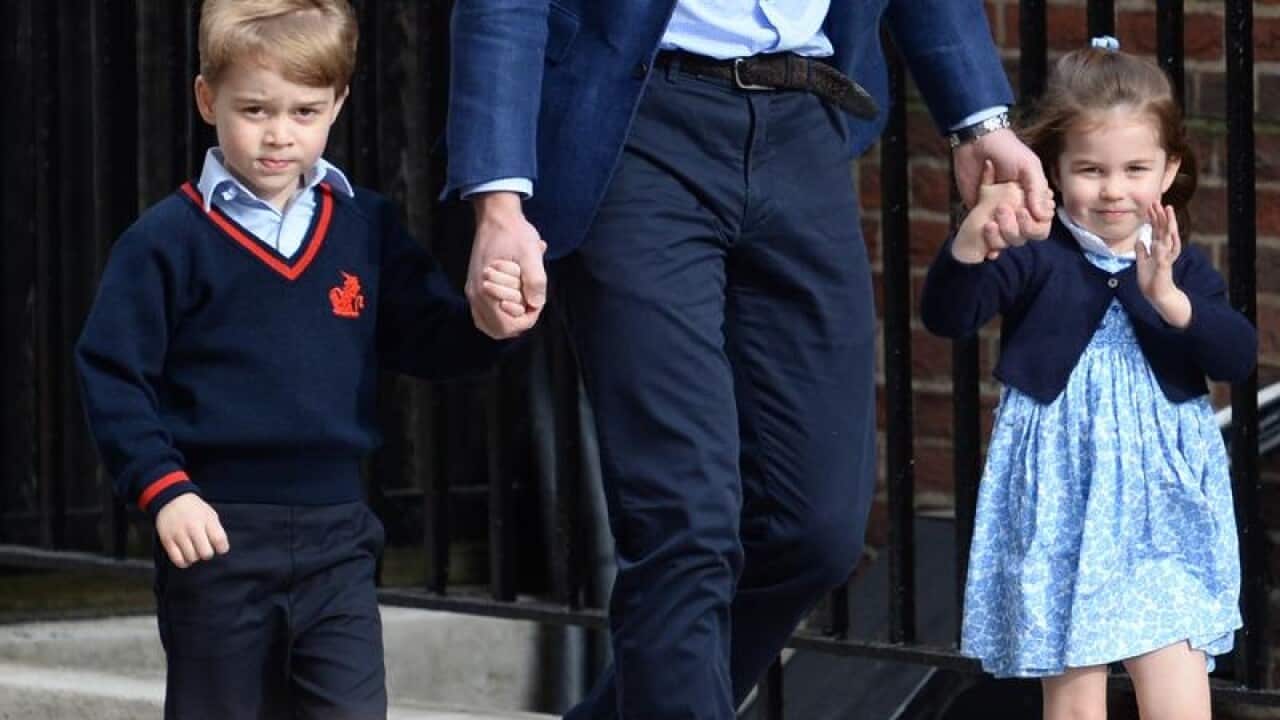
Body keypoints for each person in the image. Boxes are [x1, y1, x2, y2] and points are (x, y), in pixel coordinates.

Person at [448, 1, 1054, 718]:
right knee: (684, 523)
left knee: (816, 530)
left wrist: (979, 119)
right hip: (637, 125)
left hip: (805, 120)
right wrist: (498, 203)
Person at [74, 1, 519, 717]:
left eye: (305, 112)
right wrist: (163, 488)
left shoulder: (367, 227)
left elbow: (431, 340)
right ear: (206, 99)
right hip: (216, 535)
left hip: (339, 536)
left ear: (338, 104)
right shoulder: (164, 242)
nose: (279, 134)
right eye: (254, 109)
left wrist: (489, 323)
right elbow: (112, 374)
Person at [921, 40, 1255, 720]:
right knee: (1074, 690)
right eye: (1090, 169)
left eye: (1135, 168)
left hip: (1162, 505)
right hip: (1061, 494)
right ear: (1055, 169)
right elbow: (949, 317)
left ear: (1169, 170)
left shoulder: (1180, 267)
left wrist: (1170, 301)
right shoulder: (1036, 255)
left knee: (1176, 678)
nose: (1113, 189)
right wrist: (970, 242)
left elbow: (1237, 356)